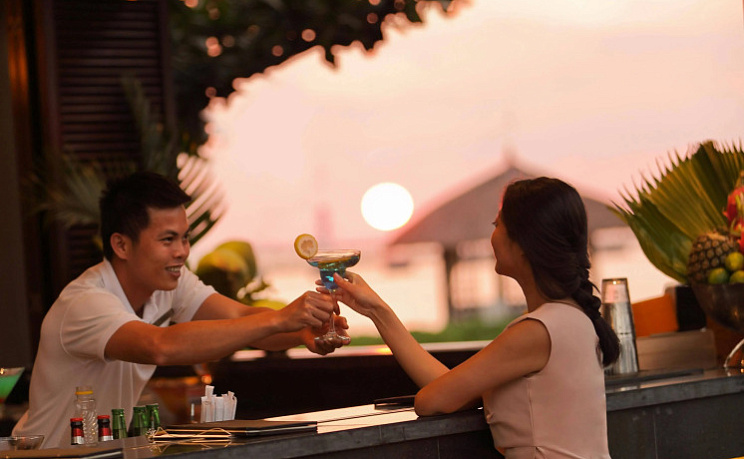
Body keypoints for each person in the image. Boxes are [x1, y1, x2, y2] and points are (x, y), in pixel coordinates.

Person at [13, 171, 348, 447]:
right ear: (121, 245)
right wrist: (279, 318)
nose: (182, 251)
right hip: (45, 455)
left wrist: (300, 332)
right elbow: (159, 346)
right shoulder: (86, 302)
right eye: (168, 240)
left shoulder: (170, 284)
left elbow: (241, 319)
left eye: (185, 238)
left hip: (101, 453)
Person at [330, 177, 620, 458]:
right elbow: (447, 387)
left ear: (524, 243)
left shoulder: (537, 331)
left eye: (497, 225)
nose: (492, 235)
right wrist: (377, 310)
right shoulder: (573, 318)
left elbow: (431, 401)